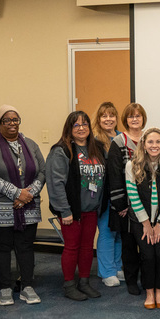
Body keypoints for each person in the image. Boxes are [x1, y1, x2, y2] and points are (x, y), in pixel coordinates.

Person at [0, 105, 46, 306]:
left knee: (25, 247)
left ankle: (27, 286)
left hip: (28, 207)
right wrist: (17, 193)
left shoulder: (30, 144)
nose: (12, 123)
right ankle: (5, 288)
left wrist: (28, 194)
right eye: (7, 120)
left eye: (15, 119)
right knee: (2, 247)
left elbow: (42, 171)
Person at [48, 111, 104, 302]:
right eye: (76, 125)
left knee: (88, 247)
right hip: (71, 211)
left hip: (91, 209)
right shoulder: (61, 151)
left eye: (85, 124)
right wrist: (64, 210)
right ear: (69, 129)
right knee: (72, 247)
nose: (81, 128)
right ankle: (69, 284)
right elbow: (56, 183)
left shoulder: (96, 148)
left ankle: (84, 283)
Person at [126, 128, 160, 309]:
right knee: (148, 255)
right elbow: (133, 195)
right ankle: (149, 292)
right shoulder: (132, 165)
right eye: (150, 142)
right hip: (141, 220)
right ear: (143, 144)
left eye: (158, 142)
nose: (154, 145)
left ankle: (159, 292)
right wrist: (147, 223)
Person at [106, 102, 146, 295]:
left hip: (148, 204)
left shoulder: (150, 139)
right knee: (129, 246)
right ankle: (131, 281)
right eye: (131, 116)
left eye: (138, 116)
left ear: (143, 118)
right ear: (126, 120)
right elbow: (114, 175)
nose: (135, 119)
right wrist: (120, 203)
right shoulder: (119, 142)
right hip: (128, 205)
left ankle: (148, 280)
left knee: (147, 246)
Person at [93, 101, 123, 288]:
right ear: (99, 119)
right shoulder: (95, 141)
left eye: (111, 115)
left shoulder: (122, 137)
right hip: (105, 194)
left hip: (123, 193)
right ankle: (106, 271)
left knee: (119, 231)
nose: (108, 119)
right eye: (104, 116)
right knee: (106, 231)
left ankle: (117, 266)